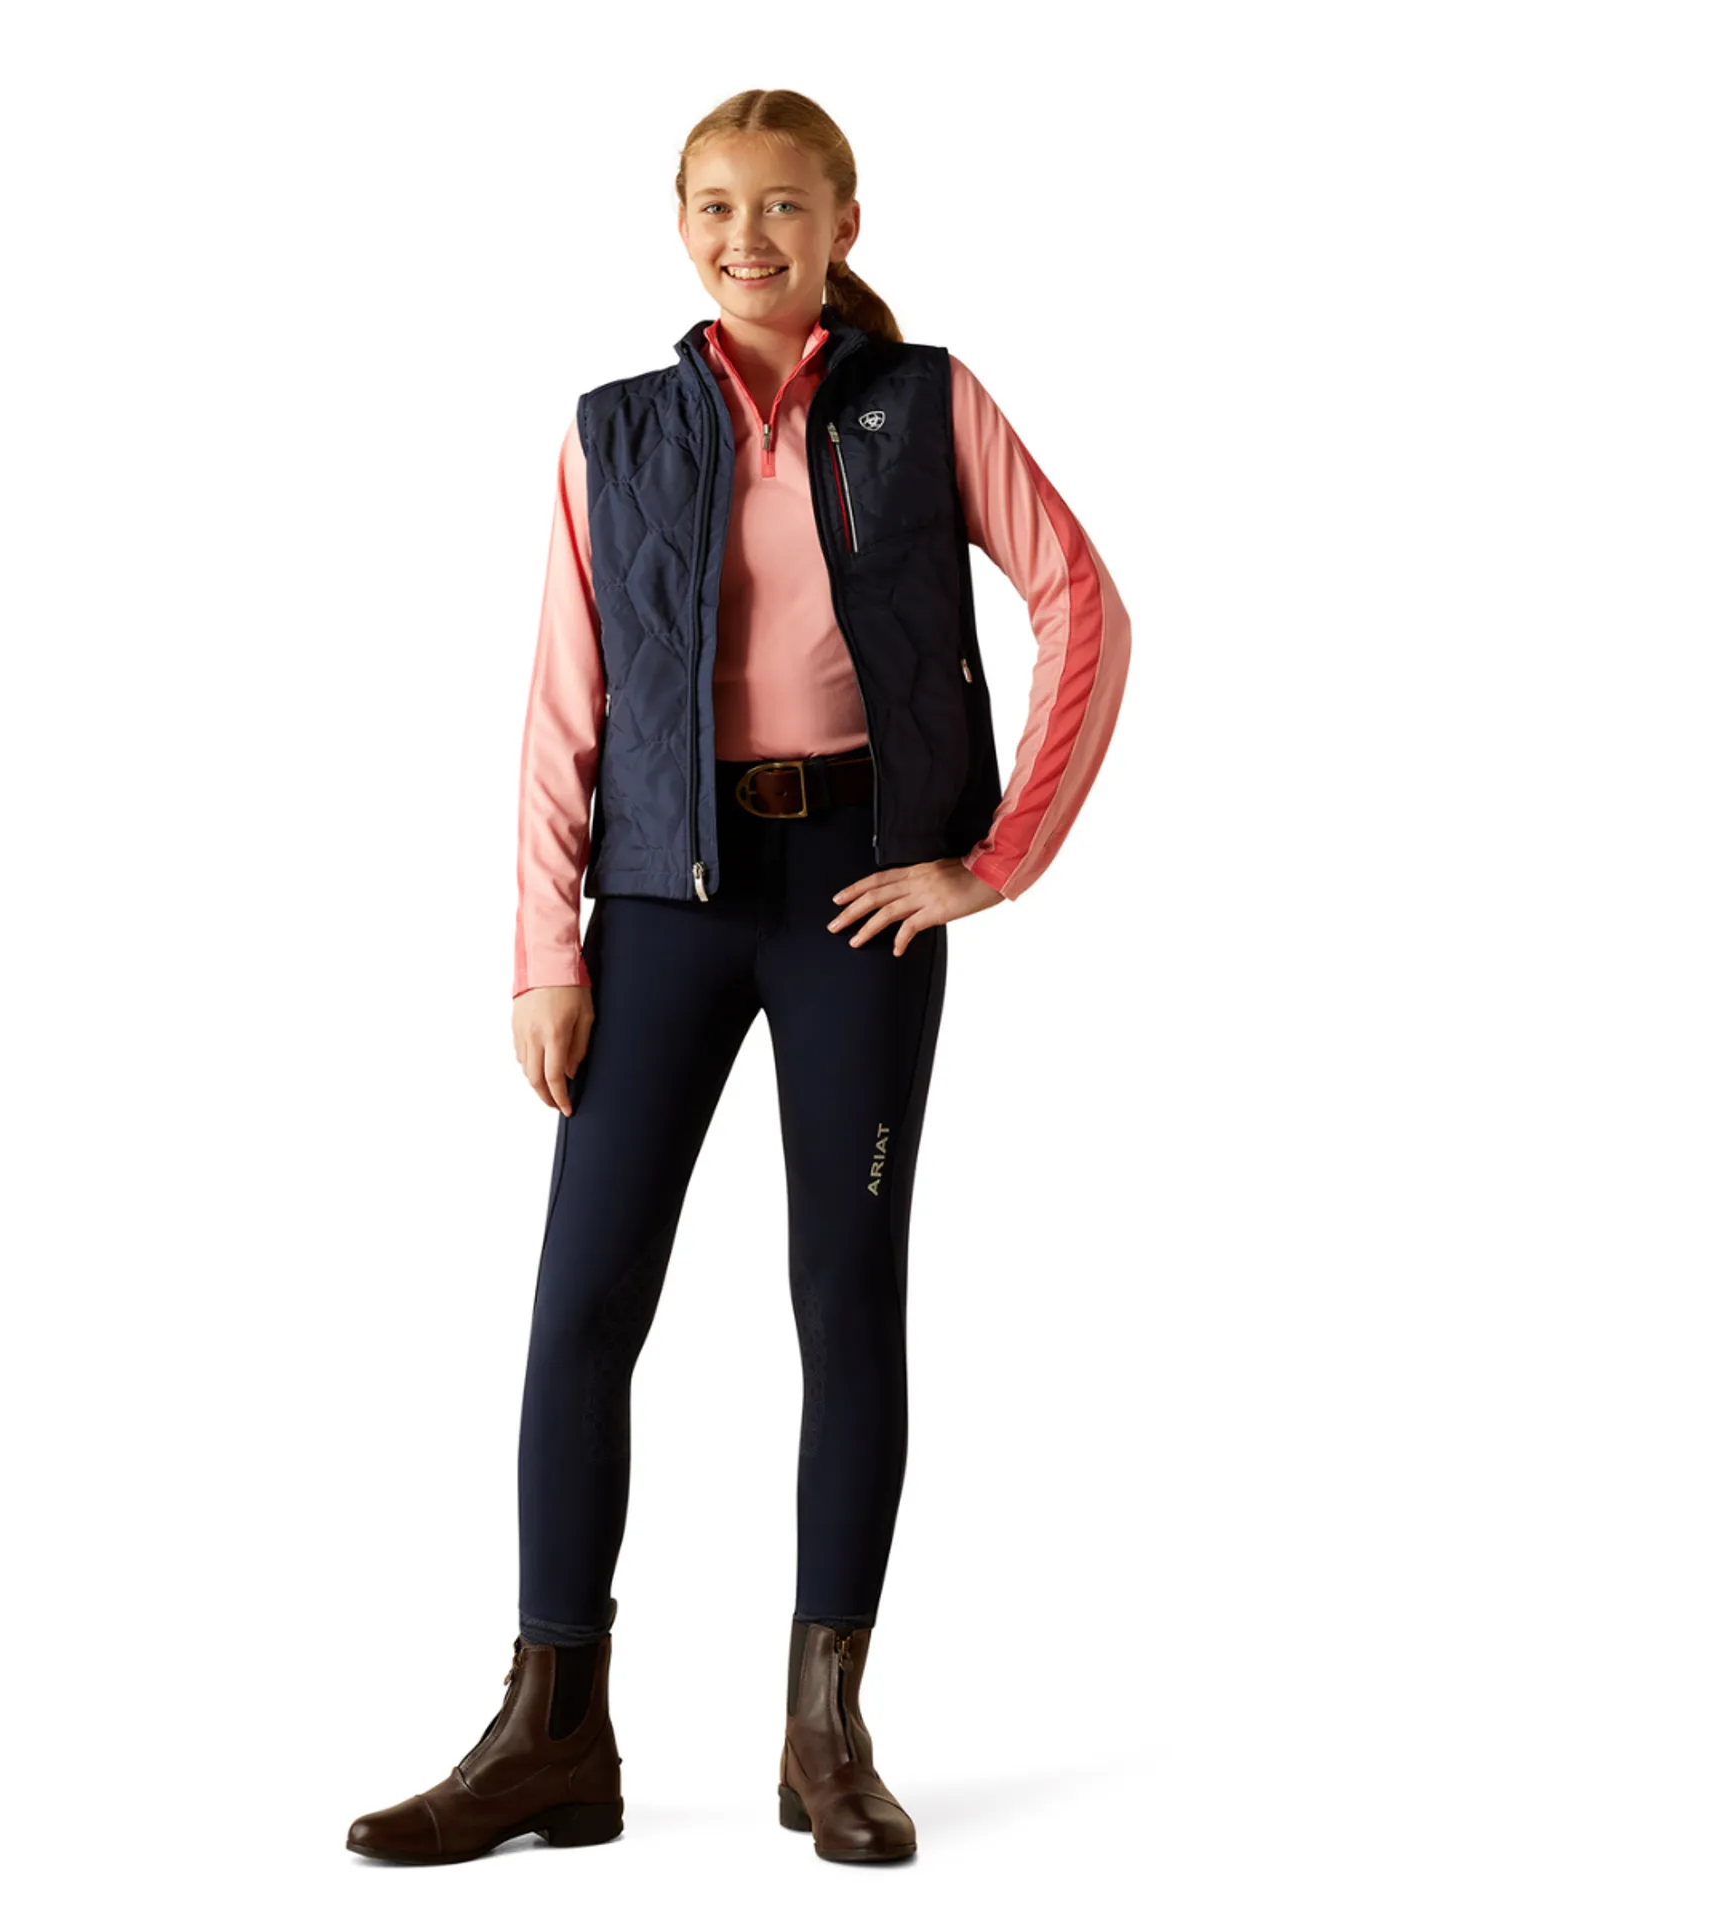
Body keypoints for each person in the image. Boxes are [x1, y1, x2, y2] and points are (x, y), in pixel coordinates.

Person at [346, 86, 1131, 1869]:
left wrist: (995, 858)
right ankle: (553, 1734)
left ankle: (823, 1734)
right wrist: (544, 952)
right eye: (715, 205)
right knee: (581, 1305)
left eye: (783, 205)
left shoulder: (924, 404)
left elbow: (1080, 599)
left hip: (857, 897)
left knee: (846, 1298)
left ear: (845, 222)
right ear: (680, 225)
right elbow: (564, 704)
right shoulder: (615, 432)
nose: (747, 236)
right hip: (664, 899)